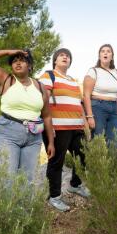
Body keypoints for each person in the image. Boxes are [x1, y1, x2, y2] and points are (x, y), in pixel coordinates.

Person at [0, 48, 55, 192]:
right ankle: (6, 208)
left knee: (28, 181)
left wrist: (50, 142)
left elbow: (47, 116)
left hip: (34, 137)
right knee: (7, 180)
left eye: (22, 60)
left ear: (30, 66)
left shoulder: (40, 87)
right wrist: (8, 52)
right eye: (14, 61)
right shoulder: (6, 79)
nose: (18, 63)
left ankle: (25, 208)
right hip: (7, 133)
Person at [40, 48, 91, 211]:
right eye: (61, 55)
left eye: (68, 56)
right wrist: (49, 128)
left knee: (84, 155)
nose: (65, 57)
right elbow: (43, 102)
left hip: (76, 127)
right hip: (57, 127)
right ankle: (54, 197)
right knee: (57, 162)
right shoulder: (48, 76)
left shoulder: (73, 81)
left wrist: (85, 125)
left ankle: (75, 185)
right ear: (55, 60)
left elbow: (79, 105)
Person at [82, 44, 117, 150]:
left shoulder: (116, 73)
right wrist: (89, 116)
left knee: (115, 142)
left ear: (112, 56)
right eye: (103, 51)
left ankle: (113, 161)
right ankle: (93, 162)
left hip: (114, 109)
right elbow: (86, 95)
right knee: (97, 142)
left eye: (108, 51)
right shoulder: (93, 71)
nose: (105, 53)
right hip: (98, 107)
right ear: (99, 56)